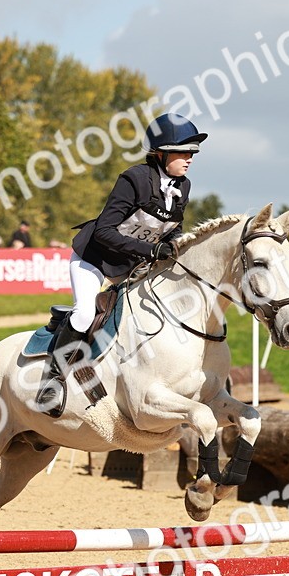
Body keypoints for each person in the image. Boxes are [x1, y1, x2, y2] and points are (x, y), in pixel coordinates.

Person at [35, 111, 204, 416]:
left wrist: (177, 244)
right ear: (162, 152)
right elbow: (103, 231)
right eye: (185, 152)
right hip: (94, 259)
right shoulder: (134, 179)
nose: (191, 158)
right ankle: (52, 380)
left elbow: (173, 227)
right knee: (86, 313)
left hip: (130, 264)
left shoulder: (184, 186)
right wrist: (150, 250)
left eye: (193, 153)